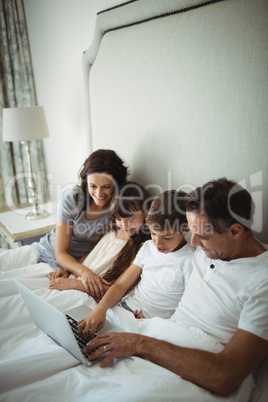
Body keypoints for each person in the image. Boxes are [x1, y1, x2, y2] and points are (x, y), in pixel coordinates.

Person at [81, 178, 268, 397]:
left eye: (202, 236)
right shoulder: (206, 250)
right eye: (191, 232)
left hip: (198, 362)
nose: (194, 243)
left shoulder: (261, 280)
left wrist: (140, 344)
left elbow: (224, 375)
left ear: (235, 231)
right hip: (158, 335)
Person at [78, 190, 194, 337]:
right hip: (123, 309)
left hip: (150, 324)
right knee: (79, 333)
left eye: (167, 237)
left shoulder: (190, 260)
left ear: (186, 229)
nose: (158, 243)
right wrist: (99, 310)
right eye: (153, 233)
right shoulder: (147, 247)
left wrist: (156, 325)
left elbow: (188, 309)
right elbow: (121, 285)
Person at [32, 149, 128, 300]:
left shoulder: (119, 210)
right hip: (47, 251)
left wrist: (74, 270)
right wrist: (83, 272)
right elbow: (61, 253)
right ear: (85, 182)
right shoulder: (72, 201)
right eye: (93, 186)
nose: (99, 193)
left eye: (106, 187)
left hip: (74, 265)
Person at [48, 182, 151, 300]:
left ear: (146, 211)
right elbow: (89, 258)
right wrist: (67, 271)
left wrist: (73, 284)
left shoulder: (142, 248)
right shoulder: (112, 232)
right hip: (73, 282)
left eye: (131, 219)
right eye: (118, 219)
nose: (124, 225)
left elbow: (118, 290)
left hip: (87, 295)